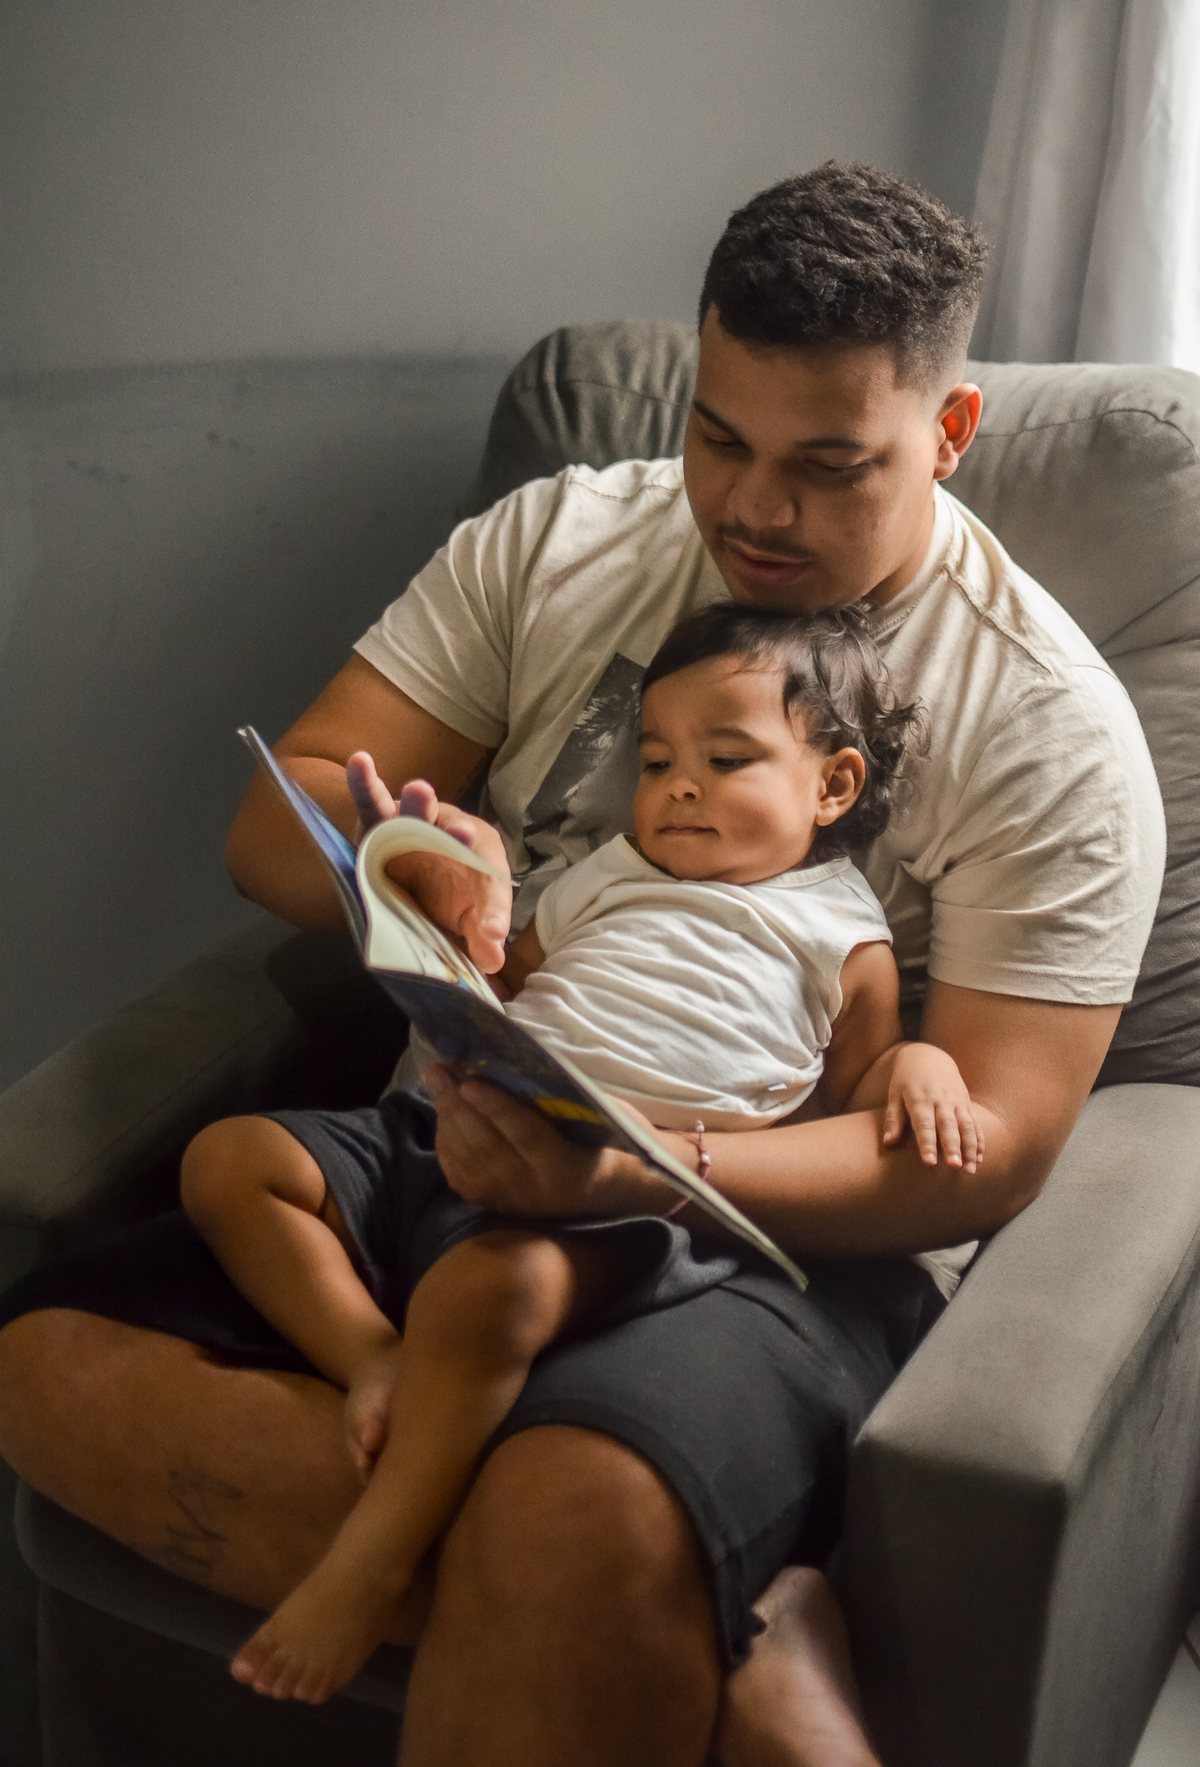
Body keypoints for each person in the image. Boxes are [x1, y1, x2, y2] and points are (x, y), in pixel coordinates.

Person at [0, 161, 1165, 1767]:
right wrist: (424, 870)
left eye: (831, 467)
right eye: (718, 436)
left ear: (948, 437)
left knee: (581, 1517)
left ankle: (605, 1576)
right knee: (46, 1362)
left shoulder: (1049, 728)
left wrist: (644, 1167)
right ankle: (721, 1638)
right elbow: (278, 838)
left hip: (757, 1232)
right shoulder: (558, 539)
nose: (753, 509)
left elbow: (999, 1150)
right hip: (446, 1148)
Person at [182, 603, 981, 1707]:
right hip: (465, 1116)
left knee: (486, 1291)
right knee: (231, 1162)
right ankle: (374, 1358)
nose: (680, 786)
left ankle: (372, 1558)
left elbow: (857, 1089)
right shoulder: (612, 868)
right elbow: (506, 982)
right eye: (657, 761)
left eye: (727, 758)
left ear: (833, 786)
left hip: (629, 1195)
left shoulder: (841, 935)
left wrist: (925, 1073)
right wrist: (442, 927)